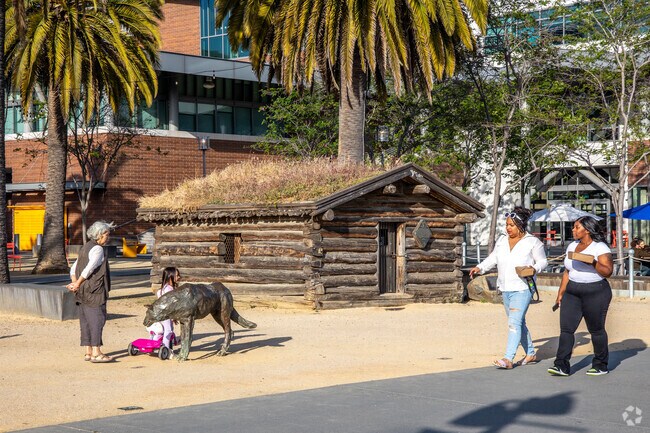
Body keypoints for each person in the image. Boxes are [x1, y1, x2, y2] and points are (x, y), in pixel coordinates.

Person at [469, 206, 548, 369]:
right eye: (507, 224)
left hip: (523, 287)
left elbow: (543, 262)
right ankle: (531, 353)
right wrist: (480, 267)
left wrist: (534, 268)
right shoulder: (502, 240)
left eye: (511, 225)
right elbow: (494, 257)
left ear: (520, 225)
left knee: (514, 323)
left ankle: (508, 358)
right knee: (518, 322)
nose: (508, 228)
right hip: (505, 287)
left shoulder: (532, 242)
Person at [548, 216, 613, 377]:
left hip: (596, 291)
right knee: (566, 329)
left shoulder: (600, 247)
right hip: (572, 291)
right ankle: (561, 365)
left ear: (588, 230)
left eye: (577, 227)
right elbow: (567, 271)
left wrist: (592, 263)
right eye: (574, 227)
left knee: (596, 330)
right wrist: (560, 293)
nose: (573, 230)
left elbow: (608, 272)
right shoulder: (572, 245)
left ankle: (600, 364)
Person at [67, 221, 115, 363]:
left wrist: (75, 283)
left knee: (86, 320)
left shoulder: (85, 247)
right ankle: (96, 352)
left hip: (82, 291)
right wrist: (77, 283)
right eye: (107, 234)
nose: (108, 237)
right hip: (94, 290)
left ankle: (88, 351)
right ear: (100, 235)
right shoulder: (97, 249)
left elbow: (73, 268)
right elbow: (89, 268)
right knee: (97, 320)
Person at [146, 267, 181, 354]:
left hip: (159, 313)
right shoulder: (170, 289)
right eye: (177, 275)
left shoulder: (162, 289)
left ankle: (152, 345)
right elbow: (171, 305)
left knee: (159, 331)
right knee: (168, 330)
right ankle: (166, 350)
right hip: (166, 314)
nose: (179, 277)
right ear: (170, 277)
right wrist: (174, 316)